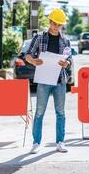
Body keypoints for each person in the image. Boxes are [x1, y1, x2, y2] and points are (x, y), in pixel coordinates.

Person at [25, 8, 73, 154]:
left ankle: (60, 142)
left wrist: (67, 64)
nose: (56, 27)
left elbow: (70, 59)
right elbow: (27, 55)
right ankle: (36, 143)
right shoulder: (39, 38)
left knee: (61, 113)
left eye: (59, 25)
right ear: (50, 22)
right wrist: (33, 61)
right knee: (39, 113)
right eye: (54, 23)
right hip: (44, 81)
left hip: (60, 81)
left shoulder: (65, 41)